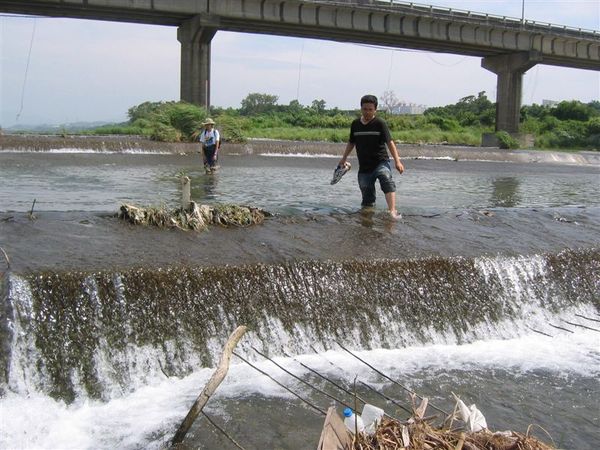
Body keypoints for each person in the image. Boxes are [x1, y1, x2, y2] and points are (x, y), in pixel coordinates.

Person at [338, 94, 404, 218]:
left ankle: (392, 211)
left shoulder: (380, 123)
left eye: (370, 109)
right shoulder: (355, 124)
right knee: (367, 199)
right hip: (364, 167)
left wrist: (397, 161)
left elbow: (389, 142)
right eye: (365, 109)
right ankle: (367, 217)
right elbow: (352, 142)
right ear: (361, 108)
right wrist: (344, 158)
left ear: (375, 110)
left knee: (386, 180)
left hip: (381, 162)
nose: (367, 112)